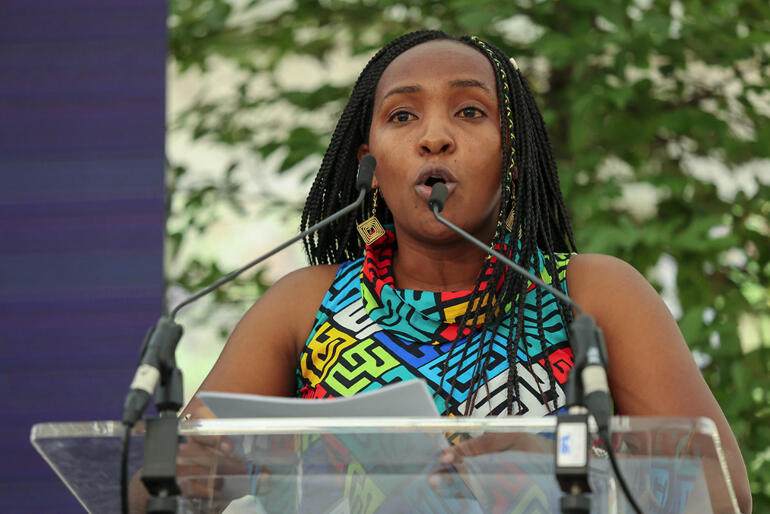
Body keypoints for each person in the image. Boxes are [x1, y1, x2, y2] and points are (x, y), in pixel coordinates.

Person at [176, 31, 751, 512]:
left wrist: (561, 465)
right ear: (369, 168)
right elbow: (149, 478)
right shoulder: (303, 305)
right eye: (402, 115)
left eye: (470, 111)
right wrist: (203, 471)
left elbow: (724, 492)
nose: (433, 137)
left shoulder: (590, 294)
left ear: (515, 159)